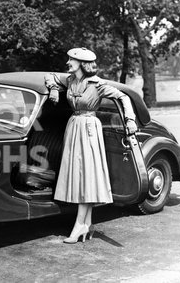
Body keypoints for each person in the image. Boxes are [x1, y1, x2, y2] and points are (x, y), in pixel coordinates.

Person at [44, 47, 138, 244]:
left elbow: (123, 97)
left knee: (86, 175)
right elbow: (50, 76)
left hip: (89, 128)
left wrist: (129, 120)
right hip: (74, 126)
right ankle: (85, 224)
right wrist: (53, 89)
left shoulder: (97, 84)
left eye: (71, 60)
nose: (68, 63)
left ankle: (81, 225)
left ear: (82, 64)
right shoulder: (70, 80)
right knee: (77, 175)